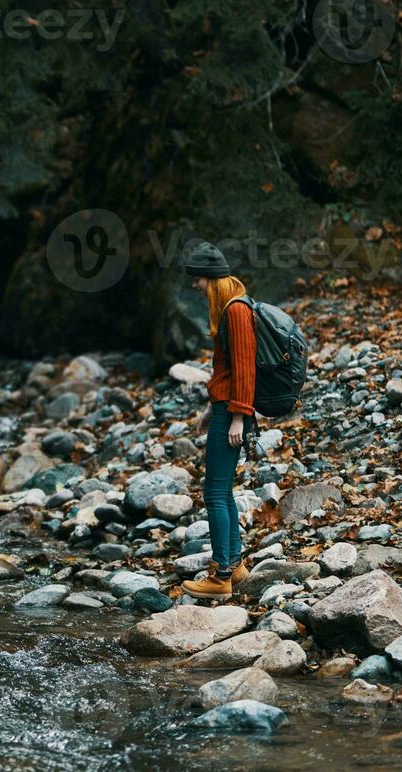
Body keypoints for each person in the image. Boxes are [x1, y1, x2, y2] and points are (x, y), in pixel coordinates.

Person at [179, 240, 257, 600]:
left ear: (211, 278)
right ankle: (236, 565)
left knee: (213, 493)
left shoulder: (236, 312)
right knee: (223, 490)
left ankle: (221, 574)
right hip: (226, 408)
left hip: (235, 412)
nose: (195, 286)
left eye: (198, 280)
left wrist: (239, 416)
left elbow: (245, 369)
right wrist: (213, 408)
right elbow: (227, 370)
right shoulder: (228, 308)